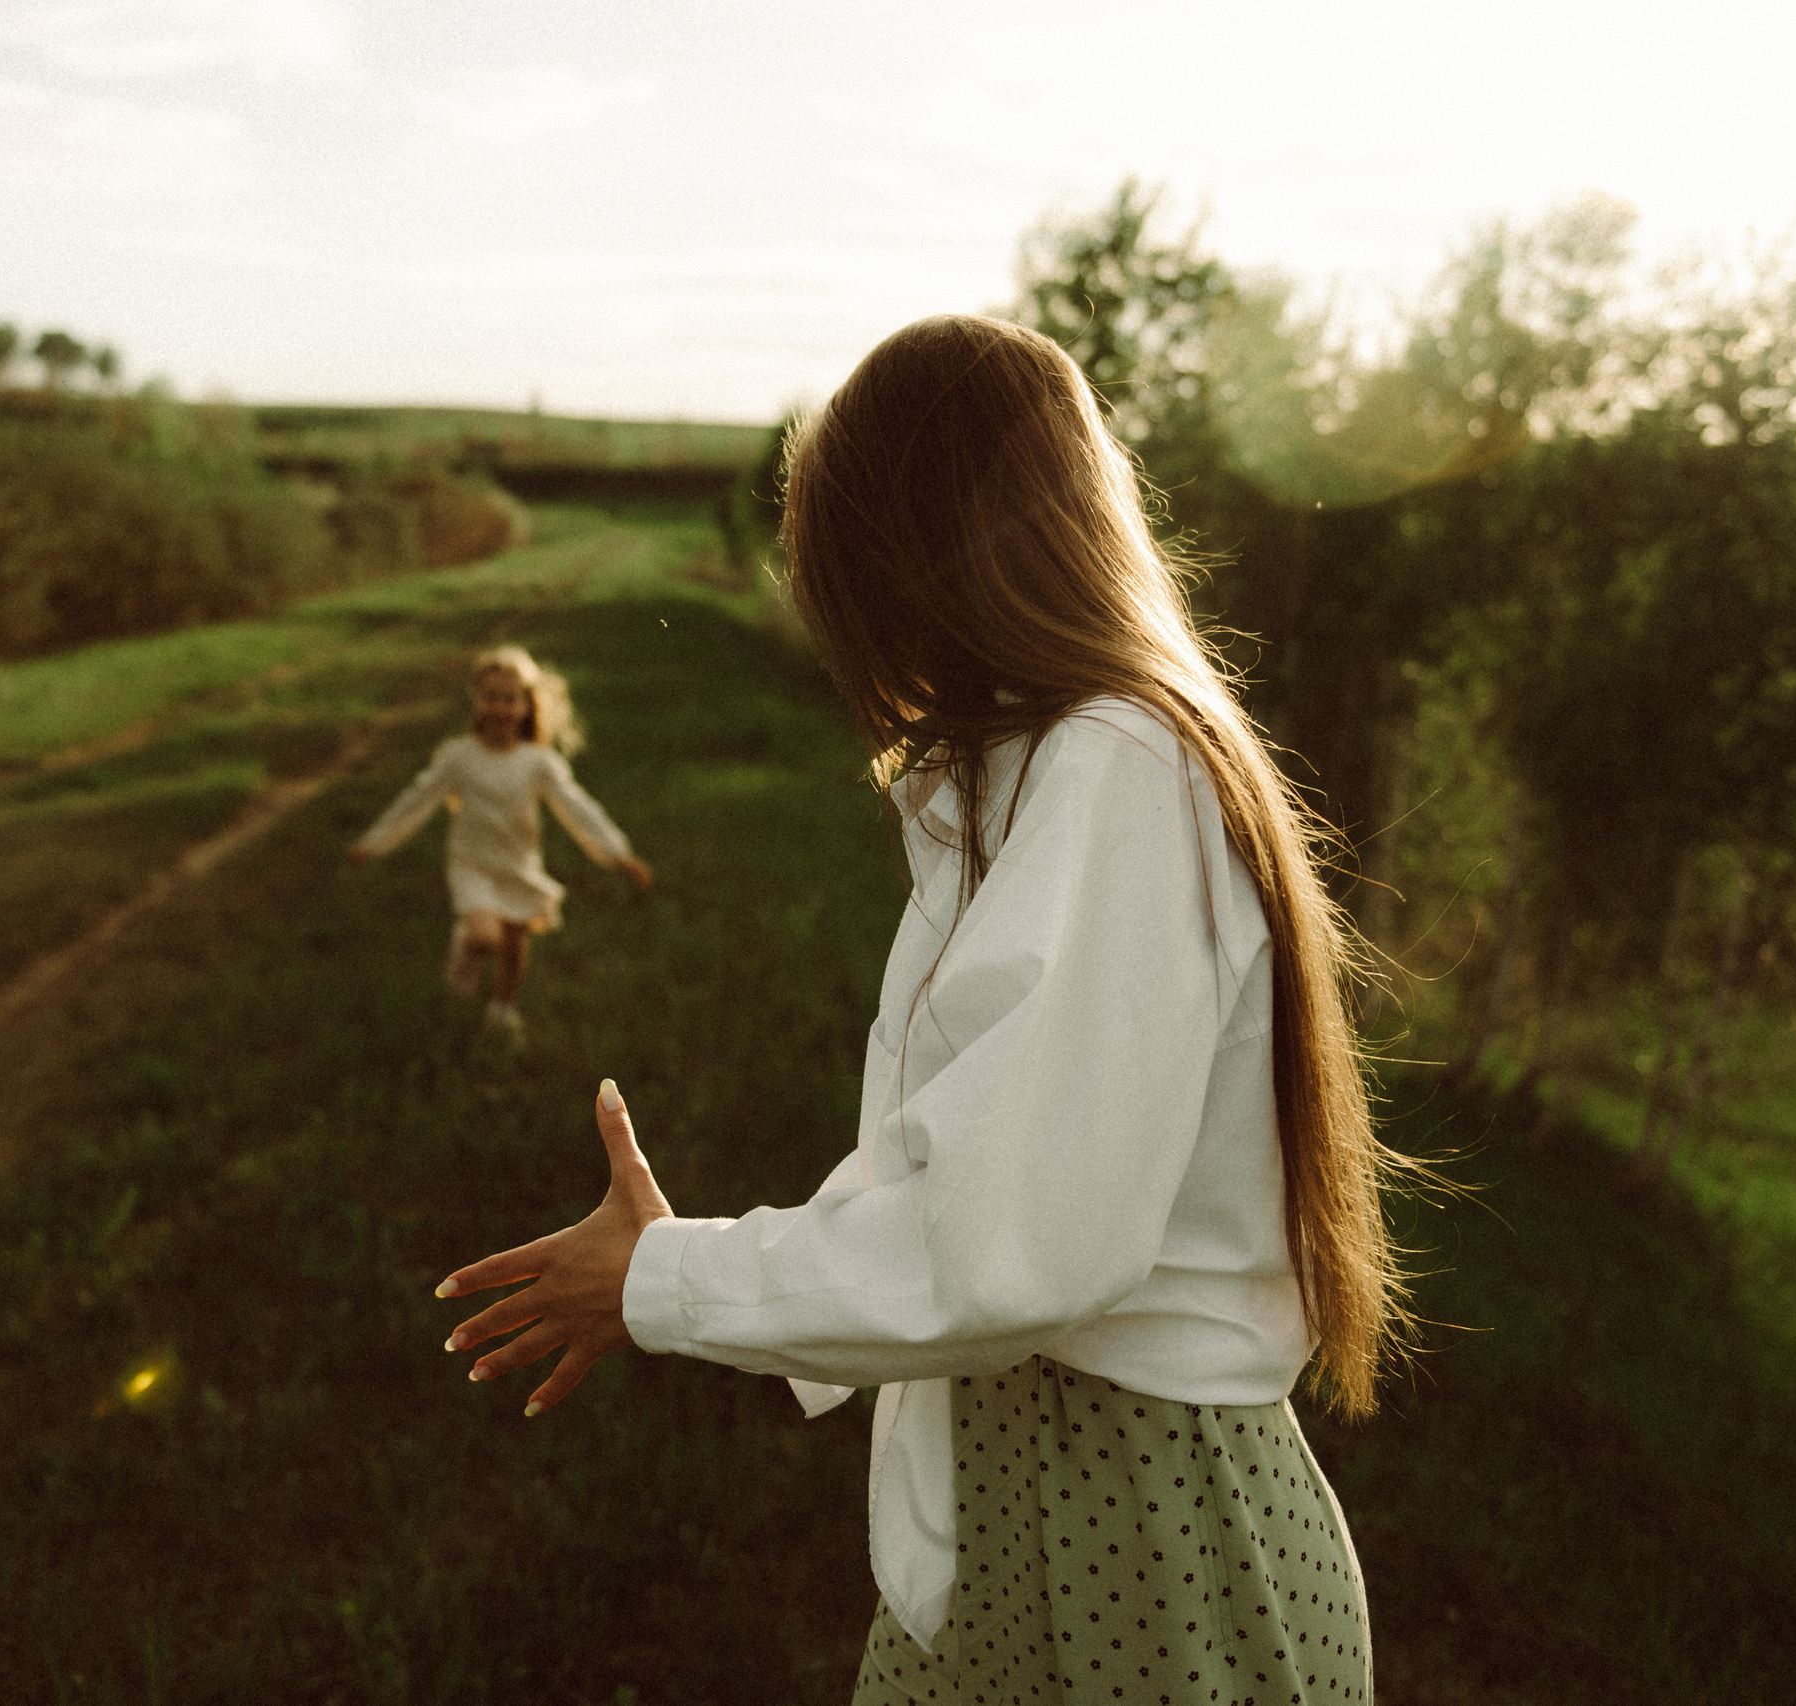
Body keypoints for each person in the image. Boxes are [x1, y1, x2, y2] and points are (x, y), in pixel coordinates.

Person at [432, 315, 1408, 1701]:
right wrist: (694, 1261)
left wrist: (666, 1277)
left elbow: (1008, 1247)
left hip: (1140, 1549)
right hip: (1039, 1515)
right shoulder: (1042, 776)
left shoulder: (1120, 770)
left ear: (919, 556)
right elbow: (965, 1177)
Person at [349, 644, 651, 1037]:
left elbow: (578, 809)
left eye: (510, 700)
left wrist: (617, 854)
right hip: (472, 864)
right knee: (485, 935)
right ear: (478, 701)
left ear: (526, 706)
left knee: (514, 950)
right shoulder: (460, 757)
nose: (500, 708)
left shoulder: (539, 763)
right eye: (491, 698)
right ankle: (467, 949)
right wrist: (376, 841)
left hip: (518, 864)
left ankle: (501, 1012)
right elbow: (417, 799)